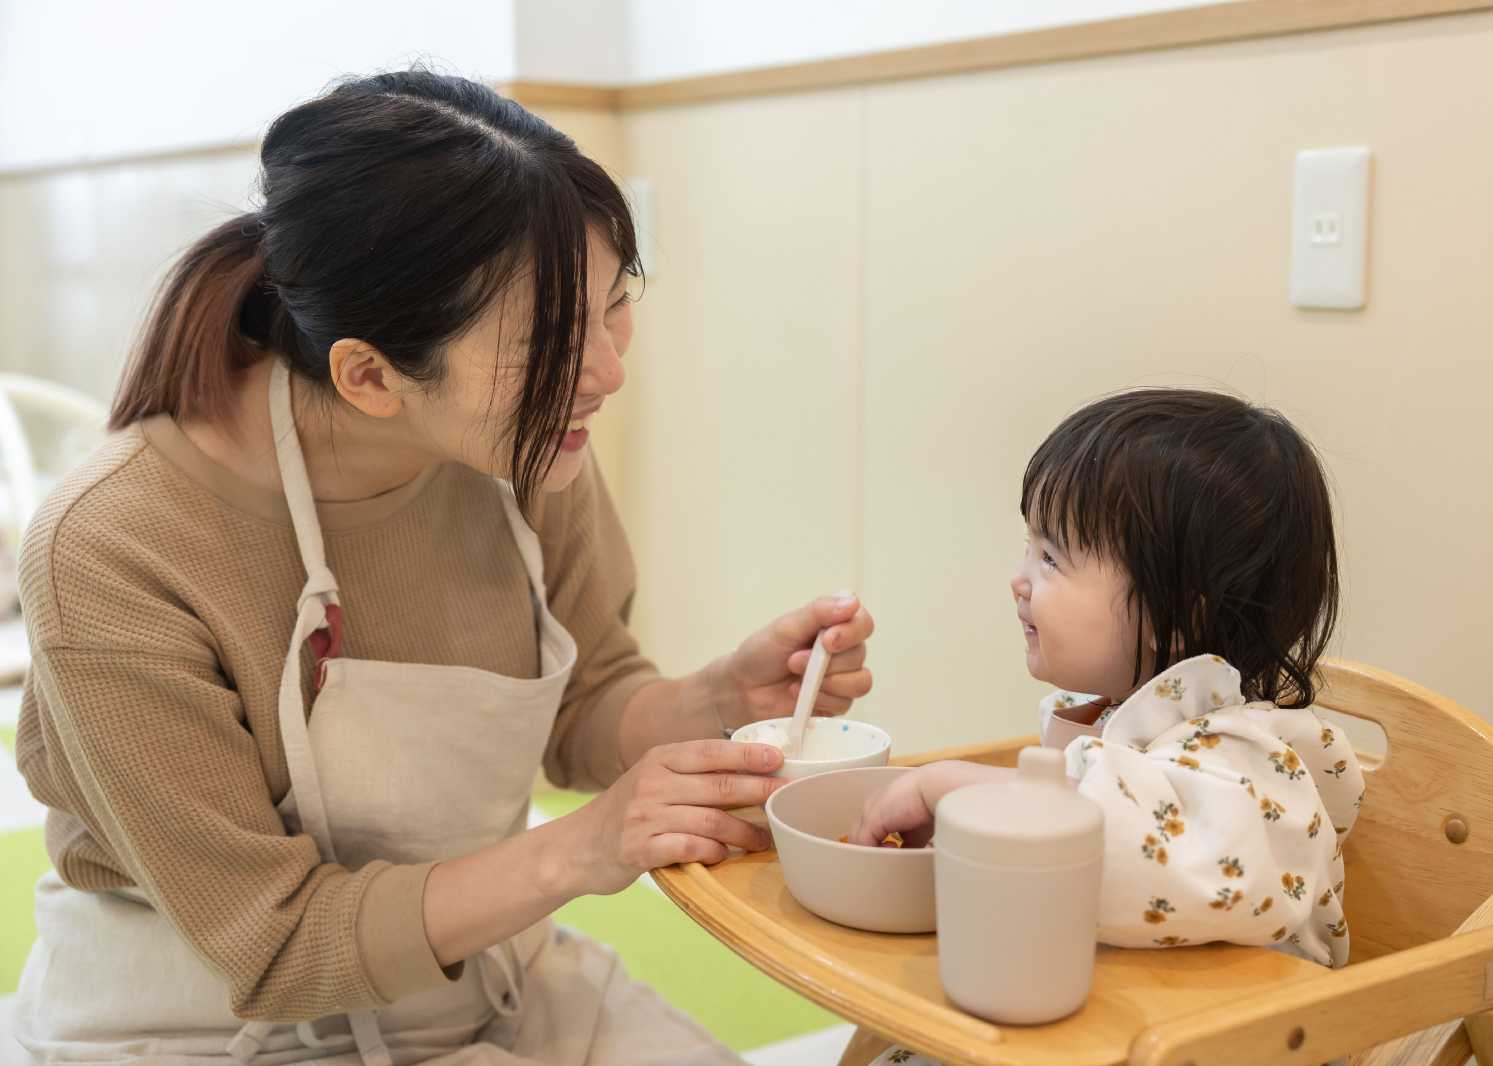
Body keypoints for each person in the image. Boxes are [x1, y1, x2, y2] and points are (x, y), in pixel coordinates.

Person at [10, 70, 873, 1065]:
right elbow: (275, 945)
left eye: (613, 308)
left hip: (483, 977)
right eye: (550, 341)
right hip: (206, 1028)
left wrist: (715, 698)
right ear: (371, 375)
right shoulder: (113, 546)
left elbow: (583, 705)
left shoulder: (526, 446)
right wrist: (585, 845)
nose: (606, 371)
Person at [852, 388, 1362, 965]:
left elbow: (1136, 851)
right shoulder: (1122, 719)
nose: (1020, 579)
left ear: (1178, 618)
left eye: (1051, 557)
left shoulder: (1245, 761)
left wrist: (951, 787)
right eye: (1029, 547)